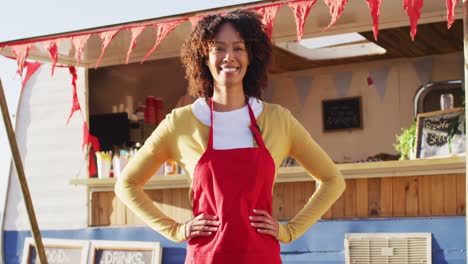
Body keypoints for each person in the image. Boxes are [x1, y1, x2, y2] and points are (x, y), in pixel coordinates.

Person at [115, 10, 345, 264]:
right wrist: (176, 230)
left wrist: (289, 231)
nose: (229, 57)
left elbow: (333, 180)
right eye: (219, 48)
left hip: (261, 257)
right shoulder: (180, 123)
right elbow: (127, 185)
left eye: (238, 48)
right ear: (204, 56)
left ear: (250, 57)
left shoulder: (279, 120)